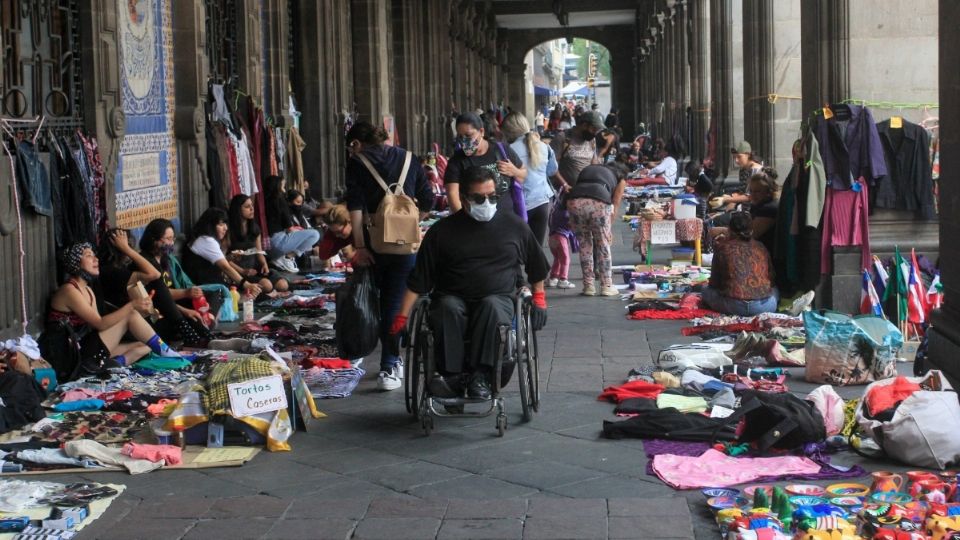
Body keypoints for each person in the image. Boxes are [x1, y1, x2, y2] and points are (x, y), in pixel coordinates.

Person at [389, 167, 549, 400]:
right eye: (479, 198)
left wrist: (539, 298)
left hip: (499, 297)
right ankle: (451, 377)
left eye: (492, 197)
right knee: (446, 309)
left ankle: (480, 376)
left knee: (491, 307)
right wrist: (402, 317)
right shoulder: (441, 232)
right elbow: (420, 280)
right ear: (463, 199)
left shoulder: (514, 226)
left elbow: (537, 265)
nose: (487, 203)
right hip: (451, 296)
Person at [345, 121, 435, 391]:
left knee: (373, 300)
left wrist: (359, 247)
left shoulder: (357, 162)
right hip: (404, 247)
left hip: (373, 245)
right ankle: (390, 363)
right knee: (395, 303)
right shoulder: (409, 158)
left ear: (357, 143)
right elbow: (428, 200)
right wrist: (409, 223)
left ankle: (377, 356)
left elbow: (356, 206)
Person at [39, 242, 185, 381]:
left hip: (84, 347)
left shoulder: (87, 289)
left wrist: (138, 312)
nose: (95, 259)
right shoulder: (69, 291)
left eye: (94, 255)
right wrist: (132, 307)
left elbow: (97, 326)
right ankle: (171, 355)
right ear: (75, 262)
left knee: (145, 345)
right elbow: (100, 324)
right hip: (69, 356)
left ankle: (115, 364)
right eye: (88, 255)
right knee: (132, 315)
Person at [98, 228, 211, 347]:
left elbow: (159, 300)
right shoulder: (110, 272)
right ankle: (191, 332)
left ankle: (206, 338)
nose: (132, 249)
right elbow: (154, 275)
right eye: (128, 246)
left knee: (190, 316)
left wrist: (183, 311)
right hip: (129, 325)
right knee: (156, 282)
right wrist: (126, 249)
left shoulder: (124, 268)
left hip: (145, 316)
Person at [138, 219, 222, 341]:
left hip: (176, 301)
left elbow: (178, 285)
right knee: (192, 318)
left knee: (214, 293)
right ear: (154, 240)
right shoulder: (146, 262)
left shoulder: (166, 259)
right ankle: (203, 328)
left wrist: (196, 297)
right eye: (168, 239)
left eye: (173, 239)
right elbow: (161, 296)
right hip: (162, 307)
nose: (171, 243)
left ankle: (209, 319)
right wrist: (186, 296)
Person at [444, 112, 526, 215]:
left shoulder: (501, 150)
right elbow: (452, 194)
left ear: (481, 132)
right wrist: (462, 221)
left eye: (468, 135)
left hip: (507, 219)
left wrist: (515, 171)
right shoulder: (456, 161)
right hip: (474, 222)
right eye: (460, 136)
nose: (464, 140)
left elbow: (523, 174)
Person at [700, 212, 779, 316]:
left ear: (729, 229)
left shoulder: (723, 248)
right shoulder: (760, 246)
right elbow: (771, 278)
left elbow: (714, 283)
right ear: (751, 230)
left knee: (705, 290)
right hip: (764, 307)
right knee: (775, 290)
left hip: (734, 306)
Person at [566, 163, 627, 297]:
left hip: (574, 202)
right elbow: (615, 204)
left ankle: (588, 286)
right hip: (598, 202)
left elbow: (579, 187)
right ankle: (607, 286)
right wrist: (608, 229)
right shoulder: (620, 179)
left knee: (584, 245)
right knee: (603, 245)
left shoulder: (590, 169)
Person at [500, 112, 558, 246]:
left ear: (508, 131)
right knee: (536, 249)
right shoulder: (544, 146)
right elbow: (552, 170)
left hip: (520, 205)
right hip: (542, 202)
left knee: (518, 247)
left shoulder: (508, 150)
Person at [181, 208, 263, 299]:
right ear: (210, 225)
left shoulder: (203, 238)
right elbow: (225, 267)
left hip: (208, 282)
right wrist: (246, 285)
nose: (225, 228)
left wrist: (230, 258)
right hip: (202, 287)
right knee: (246, 297)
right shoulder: (206, 240)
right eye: (221, 224)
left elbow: (220, 261)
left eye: (225, 224)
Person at [227, 194, 289, 294]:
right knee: (266, 285)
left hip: (254, 268)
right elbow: (224, 259)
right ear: (238, 209)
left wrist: (264, 264)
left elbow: (259, 252)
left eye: (252, 206)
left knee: (283, 285)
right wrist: (243, 271)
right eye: (247, 207)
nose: (252, 209)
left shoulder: (254, 228)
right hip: (237, 271)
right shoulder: (229, 230)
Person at [264, 175, 321, 273]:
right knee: (315, 234)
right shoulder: (280, 201)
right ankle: (288, 257)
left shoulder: (264, 201)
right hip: (278, 242)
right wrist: (299, 230)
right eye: (282, 186)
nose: (284, 190)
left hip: (266, 245)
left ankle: (282, 258)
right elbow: (290, 228)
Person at [551, 111, 604, 191]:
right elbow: (551, 166)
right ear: (584, 125)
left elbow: (593, 161)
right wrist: (564, 184)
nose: (595, 133)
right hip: (566, 191)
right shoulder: (563, 138)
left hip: (585, 189)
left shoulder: (591, 140)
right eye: (594, 129)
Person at [744, 167, 780, 254]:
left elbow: (750, 234)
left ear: (768, 192)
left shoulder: (769, 209)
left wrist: (723, 231)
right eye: (751, 191)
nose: (753, 195)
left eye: (757, 191)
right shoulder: (758, 206)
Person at [719, 141, 764, 206]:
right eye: (734, 157)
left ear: (748, 155)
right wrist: (730, 196)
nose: (736, 160)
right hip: (743, 208)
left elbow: (750, 196)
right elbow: (742, 191)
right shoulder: (743, 170)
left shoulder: (756, 170)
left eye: (739, 157)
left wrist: (726, 200)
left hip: (755, 210)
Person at [547, 194, 577, 289]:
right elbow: (572, 226)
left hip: (552, 237)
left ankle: (553, 277)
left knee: (558, 258)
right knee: (565, 259)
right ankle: (563, 279)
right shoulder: (567, 214)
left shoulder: (556, 209)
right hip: (561, 238)